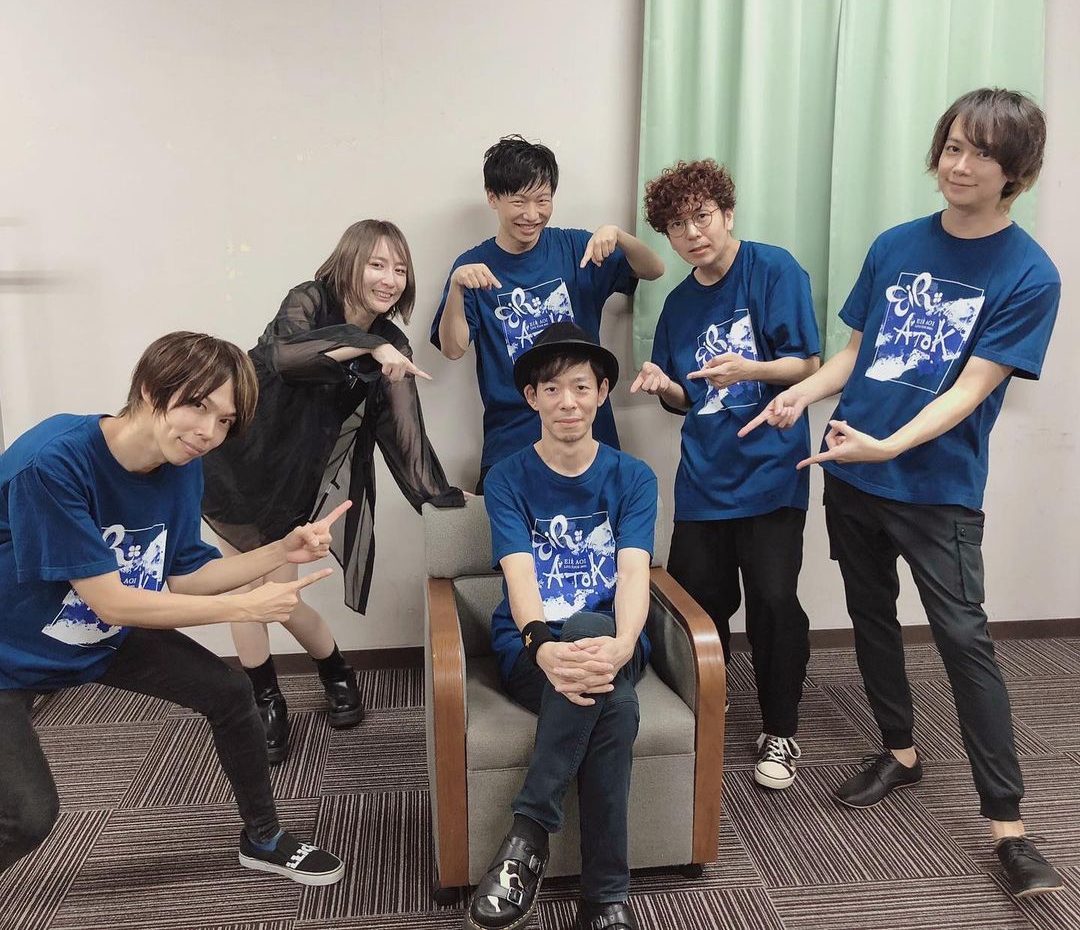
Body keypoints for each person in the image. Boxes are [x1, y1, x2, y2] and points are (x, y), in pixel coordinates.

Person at [741, 88, 1064, 897]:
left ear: (1016, 171)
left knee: (964, 641)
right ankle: (900, 750)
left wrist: (893, 443)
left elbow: (975, 387)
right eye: (953, 147)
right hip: (852, 468)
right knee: (871, 615)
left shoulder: (1030, 273)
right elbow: (858, 353)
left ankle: (1009, 828)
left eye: (982, 154)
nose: (960, 165)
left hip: (936, 486)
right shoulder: (895, 245)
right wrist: (801, 393)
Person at [0, 331, 345, 884]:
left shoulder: (181, 463)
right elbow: (112, 602)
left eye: (225, 420)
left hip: (91, 634)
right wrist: (244, 608)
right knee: (28, 817)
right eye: (198, 406)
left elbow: (186, 575)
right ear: (148, 388)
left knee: (230, 693)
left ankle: (263, 838)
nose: (209, 432)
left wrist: (282, 551)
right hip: (9, 654)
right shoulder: (54, 461)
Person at [202, 219, 464, 764]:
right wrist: (369, 345)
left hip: (294, 478)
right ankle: (265, 700)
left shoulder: (393, 344)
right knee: (245, 595)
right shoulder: (309, 299)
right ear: (349, 262)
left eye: (400, 269)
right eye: (377, 264)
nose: (390, 278)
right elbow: (288, 358)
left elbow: (402, 433)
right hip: (238, 461)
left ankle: (335, 669)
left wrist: (440, 501)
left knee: (279, 599)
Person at [632, 158, 820, 790]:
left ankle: (780, 729)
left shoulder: (773, 269)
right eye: (677, 225)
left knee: (773, 602)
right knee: (700, 608)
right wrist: (663, 385)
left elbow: (808, 364)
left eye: (703, 216)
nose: (692, 233)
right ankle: (708, 709)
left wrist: (752, 370)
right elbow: (688, 396)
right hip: (703, 479)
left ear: (727, 213)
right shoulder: (678, 305)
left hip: (771, 472)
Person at [465, 322, 656, 930]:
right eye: (552, 389)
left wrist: (623, 645)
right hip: (531, 650)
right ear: (532, 398)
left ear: (602, 392)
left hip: (614, 640)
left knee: (594, 622)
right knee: (616, 709)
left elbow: (634, 574)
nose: (568, 402)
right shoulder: (506, 478)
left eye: (580, 387)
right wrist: (542, 646)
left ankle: (526, 838)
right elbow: (520, 576)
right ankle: (605, 901)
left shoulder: (634, 477)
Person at [430, 134, 665, 492]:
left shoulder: (575, 247)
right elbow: (452, 348)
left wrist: (618, 235)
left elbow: (654, 270)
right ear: (492, 198)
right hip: (511, 442)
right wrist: (457, 289)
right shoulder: (472, 266)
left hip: (588, 436)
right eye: (518, 201)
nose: (532, 214)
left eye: (542, 200)